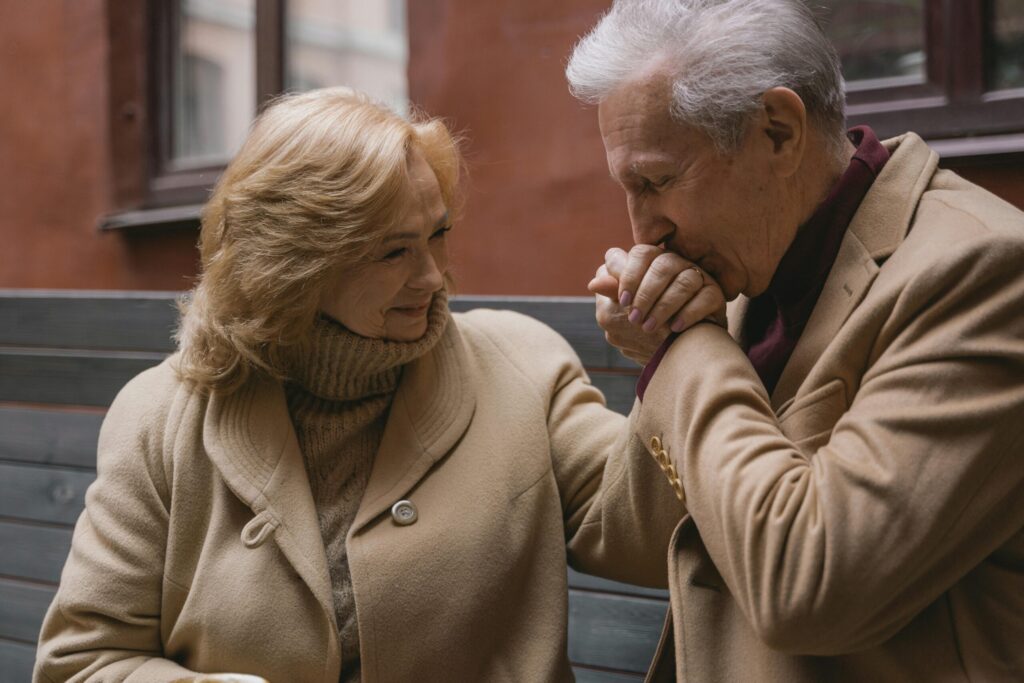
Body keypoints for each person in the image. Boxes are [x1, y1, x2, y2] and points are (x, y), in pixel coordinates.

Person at [33, 87, 692, 682]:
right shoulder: (160, 416)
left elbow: (656, 537)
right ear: (293, 268)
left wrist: (673, 362)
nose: (433, 276)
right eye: (392, 250)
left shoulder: (522, 364)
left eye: (437, 235)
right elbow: (81, 661)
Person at [567, 0, 1024, 681]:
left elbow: (809, 590)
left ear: (778, 132)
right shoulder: (752, 263)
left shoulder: (983, 272)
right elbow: (637, 545)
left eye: (657, 181)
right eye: (628, 188)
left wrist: (689, 349)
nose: (643, 232)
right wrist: (676, 351)